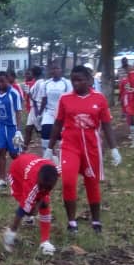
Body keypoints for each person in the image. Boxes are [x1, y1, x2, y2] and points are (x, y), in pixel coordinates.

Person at [46, 65, 122, 235]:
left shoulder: (99, 99)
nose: (76, 83)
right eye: (73, 80)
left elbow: (107, 125)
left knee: (92, 183)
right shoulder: (65, 98)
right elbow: (58, 124)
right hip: (70, 146)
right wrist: (49, 148)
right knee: (68, 181)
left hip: (91, 147)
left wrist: (114, 149)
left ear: (89, 80)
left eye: (79, 80)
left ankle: (96, 220)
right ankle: (72, 222)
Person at [2, 153, 60, 255]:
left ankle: (45, 241)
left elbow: (43, 192)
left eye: (48, 187)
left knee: (44, 204)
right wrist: (12, 232)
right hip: (16, 172)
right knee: (28, 208)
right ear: (38, 180)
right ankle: (10, 233)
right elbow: (22, 210)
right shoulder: (32, 185)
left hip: (29, 162)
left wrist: (40, 201)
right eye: (41, 186)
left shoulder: (56, 171)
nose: (44, 190)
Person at [0, 71, 23, 190]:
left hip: (12, 128)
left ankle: (22, 175)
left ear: (7, 80)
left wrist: (18, 130)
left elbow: (18, 112)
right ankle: (2, 179)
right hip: (1, 126)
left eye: (2, 81)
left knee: (14, 154)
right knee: (1, 151)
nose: (0, 83)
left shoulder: (13, 94)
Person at [38, 62, 72, 154]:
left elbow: (69, 99)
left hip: (62, 114)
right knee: (45, 136)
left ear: (61, 70)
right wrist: (39, 114)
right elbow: (44, 99)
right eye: (53, 69)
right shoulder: (46, 84)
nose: (55, 70)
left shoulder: (67, 83)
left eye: (57, 68)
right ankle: (48, 157)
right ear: (50, 71)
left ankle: (61, 158)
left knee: (61, 138)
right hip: (49, 112)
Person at [23, 66, 44, 147]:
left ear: (34, 74)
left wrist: (29, 93)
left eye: (30, 73)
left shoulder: (40, 83)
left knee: (40, 130)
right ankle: (24, 148)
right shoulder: (37, 82)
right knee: (28, 129)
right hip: (33, 109)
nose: (28, 75)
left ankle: (48, 146)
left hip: (37, 109)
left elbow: (36, 99)